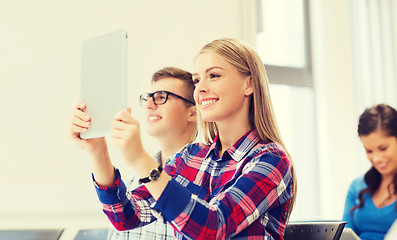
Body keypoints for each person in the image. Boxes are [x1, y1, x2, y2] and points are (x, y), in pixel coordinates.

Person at [72, 38, 296, 240]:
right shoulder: (190, 157)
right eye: (197, 80)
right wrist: (98, 152)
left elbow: (213, 227)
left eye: (214, 75)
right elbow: (126, 216)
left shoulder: (271, 160)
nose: (200, 89)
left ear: (249, 84)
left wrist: (141, 159)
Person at [71, 67, 197, 240]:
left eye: (162, 97)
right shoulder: (131, 184)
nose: (149, 105)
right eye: (148, 98)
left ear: (193, 113)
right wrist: (96, 148)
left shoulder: (206, 180)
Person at [342, 104, 397, 240]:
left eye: (383, 148)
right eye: (369, 151)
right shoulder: (357, 186)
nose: (376, 159)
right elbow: (345, 233)